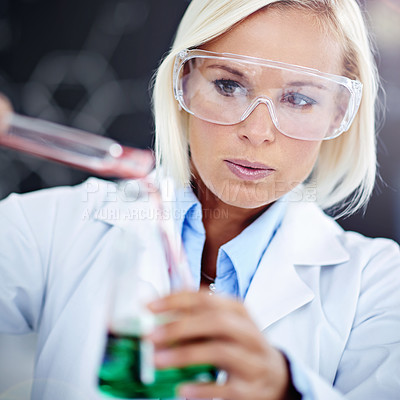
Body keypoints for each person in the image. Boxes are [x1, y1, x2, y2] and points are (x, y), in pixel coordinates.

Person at [0, 0, 399, 399]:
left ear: (338, 113)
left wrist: (286, 390)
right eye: (229, 85)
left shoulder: (380, 286)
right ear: (185, 81)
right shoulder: (55, 228)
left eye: (299, 99)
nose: (257, 131)